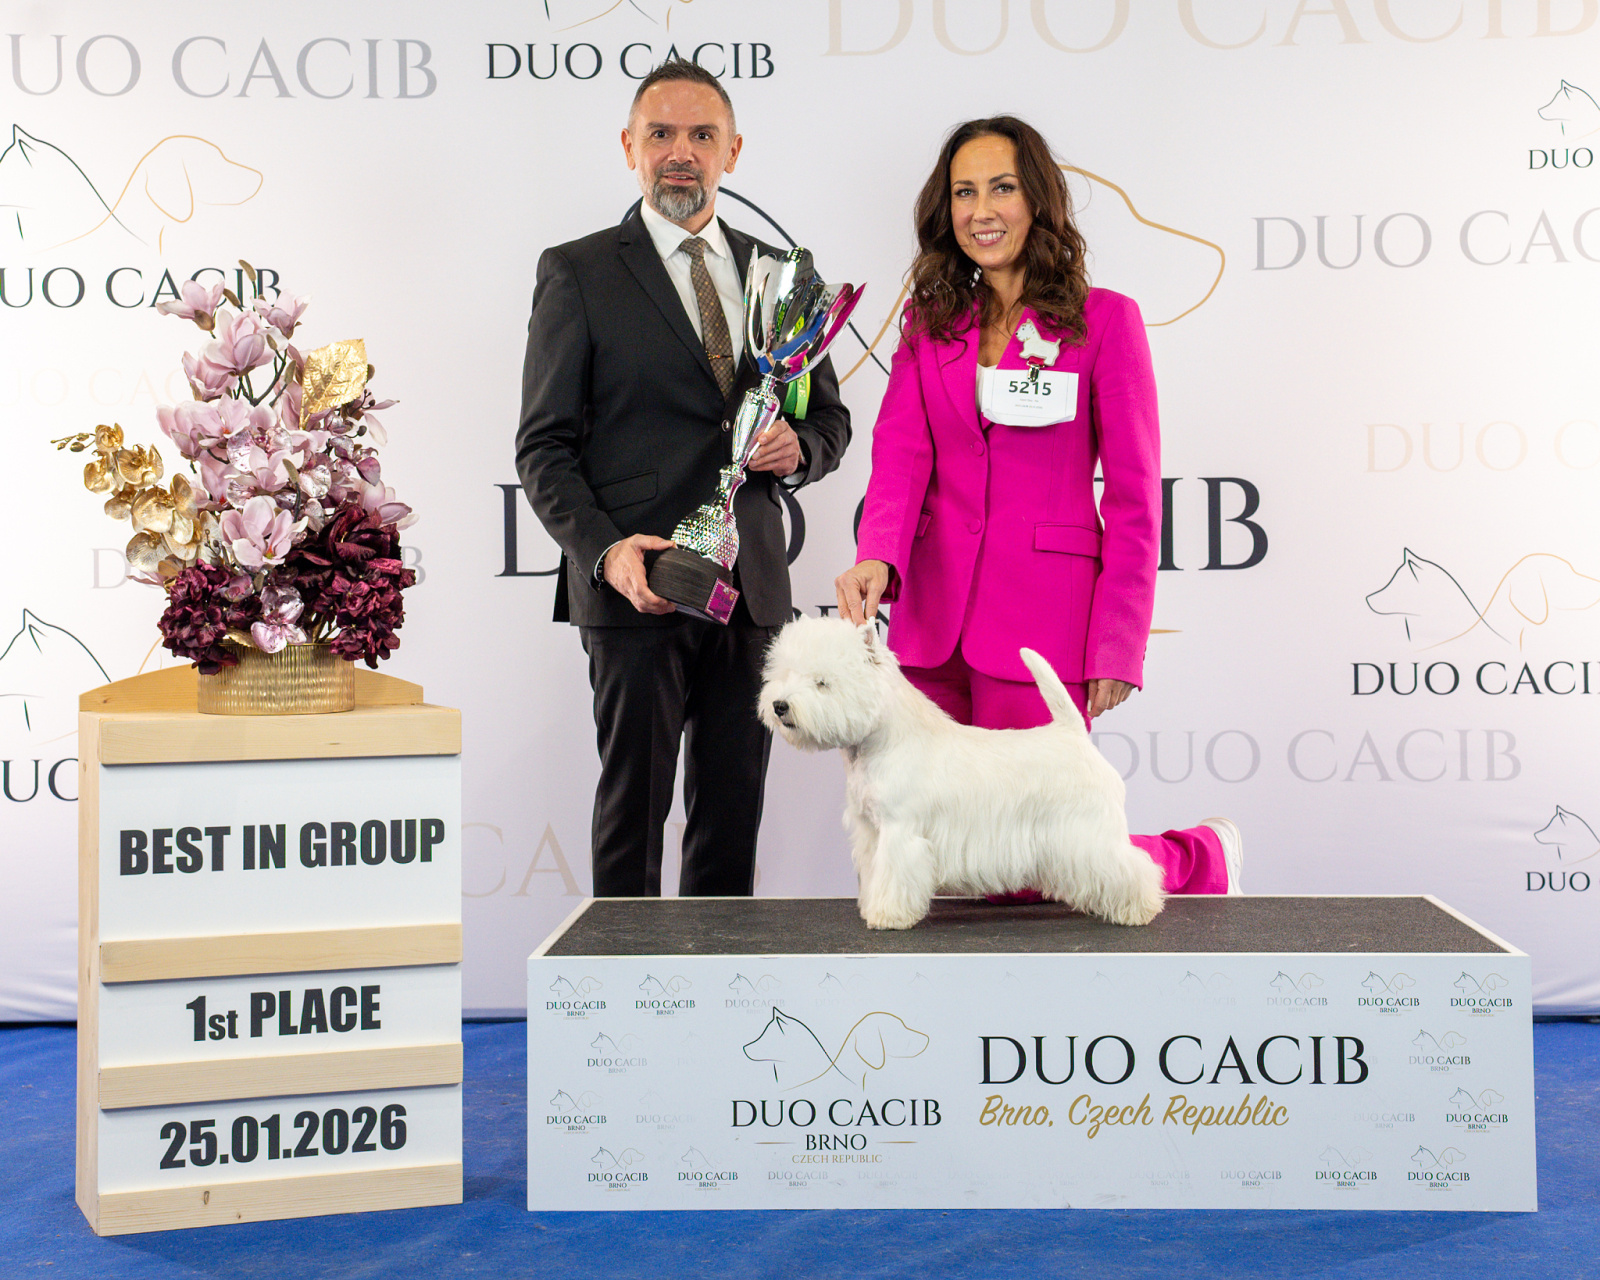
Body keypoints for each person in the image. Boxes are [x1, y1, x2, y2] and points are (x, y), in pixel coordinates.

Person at [835, 115, 1240, 897]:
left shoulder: (1106, 321)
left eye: (1002, 188)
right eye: (964, 192)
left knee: (1032, 866)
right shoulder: (927, 323)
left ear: (1039, 201)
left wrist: (1117, 645)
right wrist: (877, 554)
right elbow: (901, 453)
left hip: (1042, 623)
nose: (981, 210)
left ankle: (1196, 859)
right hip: (930, 620)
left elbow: (1134, 499)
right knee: (941, 851)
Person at [517, 58, 852, 898]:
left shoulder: (783, 273)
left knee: (732, 817)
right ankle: (622, 984)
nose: (681, 151)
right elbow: (543, 448)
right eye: (660, 133)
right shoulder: (578, 271)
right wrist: (608, 554)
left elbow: (831, 422)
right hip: (640, 589)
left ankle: (719, 976)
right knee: (633, 817)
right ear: (628, 145)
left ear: (731, 151)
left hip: (752, 590)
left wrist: (799, 449)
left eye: (702, 135)